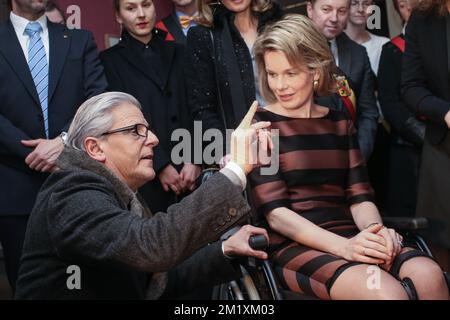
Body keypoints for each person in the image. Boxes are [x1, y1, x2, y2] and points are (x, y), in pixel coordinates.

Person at [249, 14, 449, 300]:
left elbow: (360, 197)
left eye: (290, 73)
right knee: (385, 293)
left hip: (351, 234)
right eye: (272, 74)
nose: (279, 84)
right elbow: (277, 216)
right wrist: (345, 247)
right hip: (295, 245)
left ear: (316, 71)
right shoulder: (261, 126)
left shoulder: (339, 121)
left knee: (431, 277)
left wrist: (375, 233)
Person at [15, 92, 271, 299]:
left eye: (147, 129)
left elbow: (153, 280)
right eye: (136, 130)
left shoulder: (119, 192)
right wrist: (235, 170)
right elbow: (151, 247)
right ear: (95, 147)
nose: (154, 139)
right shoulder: (72, 193)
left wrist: (225, 249)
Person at [0, 0, 107, 294]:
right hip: (16, 190)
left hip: (77, 184)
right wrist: (34, 153)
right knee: (29, 287)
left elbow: (97, 102)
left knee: (85, 287)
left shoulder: (79, 40)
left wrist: (62, 143)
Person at [101, 0, 200, 213]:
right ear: (118, 16)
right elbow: (121, 121)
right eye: (130, 8)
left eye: (146, 5)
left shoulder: (180, 52)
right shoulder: (109, 62)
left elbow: (197, 107)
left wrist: (195, 159)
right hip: (146, 176)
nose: (141, 14)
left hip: (192, 172)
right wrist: (161, 166)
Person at [185, 0, 282, 141]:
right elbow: (202, 108)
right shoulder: (203, 36)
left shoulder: (277, 25)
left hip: (286, 133)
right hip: (240, 144)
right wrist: (225, 150)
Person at [401, 0, 450, 273]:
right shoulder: (424, 17)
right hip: (443, 148)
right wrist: (444, 112)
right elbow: (410, 87)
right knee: (441, 240)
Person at [307, 0, 378, 161]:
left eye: (342, 11)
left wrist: (359, 154)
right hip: (309, 154)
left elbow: (368, 112)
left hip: (352, 155)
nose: (334, 18)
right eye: (326, 9)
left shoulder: (358, 53)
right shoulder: (294, 49)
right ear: (310, 9)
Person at [378, 0, 423, 217]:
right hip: (407, 145)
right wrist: (422, 134)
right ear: (398, 10)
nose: (412, 9)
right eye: (405, 5)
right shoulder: (392, 49)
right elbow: (389, 102)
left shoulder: (436, 46)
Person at [345, 0, 389, 75]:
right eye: (354, 3)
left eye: (366, 4)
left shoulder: (384, 44)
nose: (360, 9)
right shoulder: (333, 43)